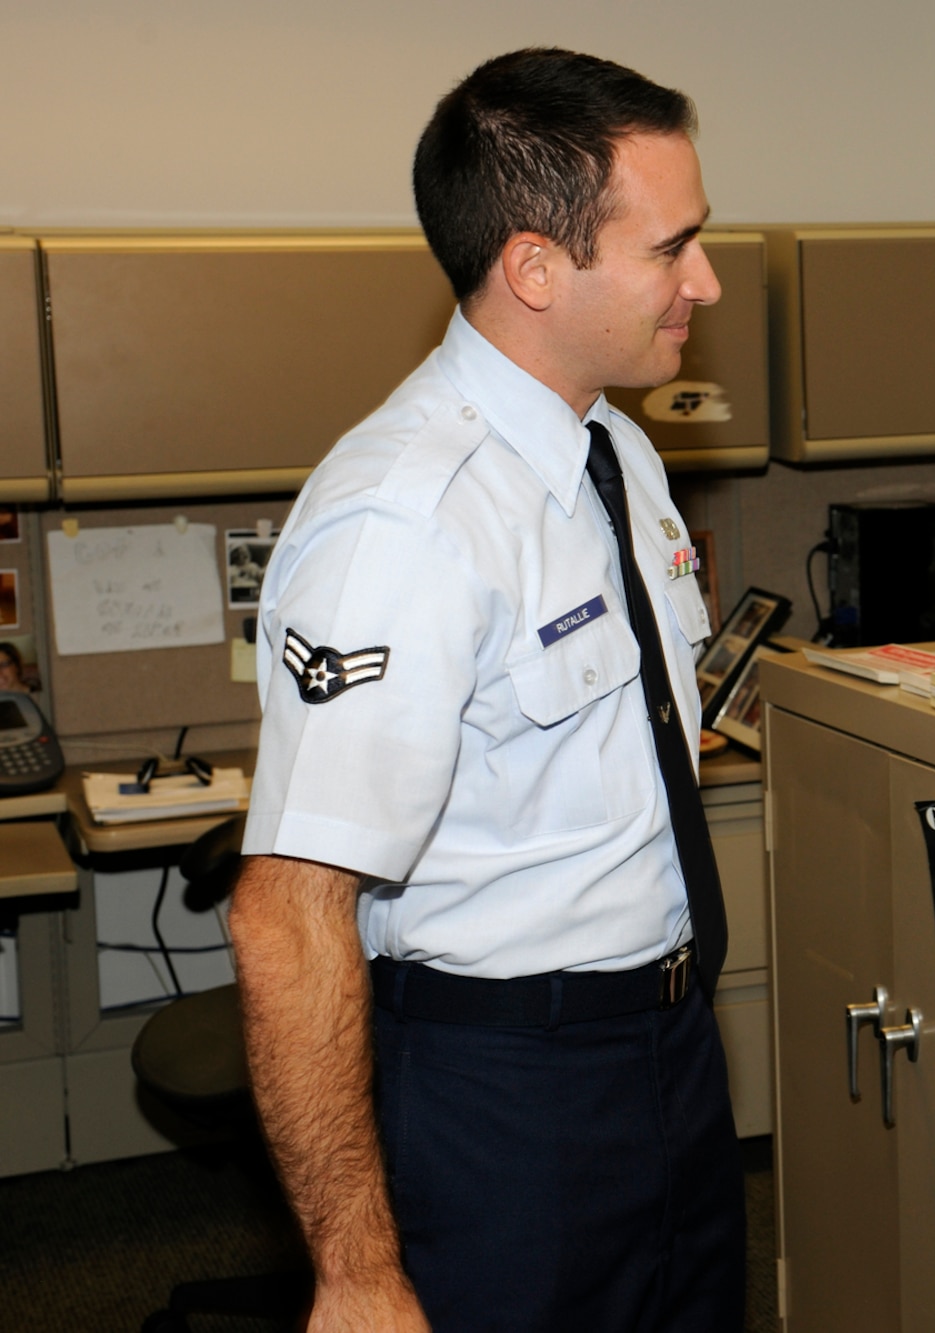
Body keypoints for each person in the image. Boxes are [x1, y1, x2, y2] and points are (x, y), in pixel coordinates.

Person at [230, 49, 740, 1332]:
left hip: (669, 1058)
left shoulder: (611, 447)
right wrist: (354, 1271)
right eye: (672, 246)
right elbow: (284, 918)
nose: (707, 281)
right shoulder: (405, 523)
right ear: (533, 269)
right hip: (505, 1095)